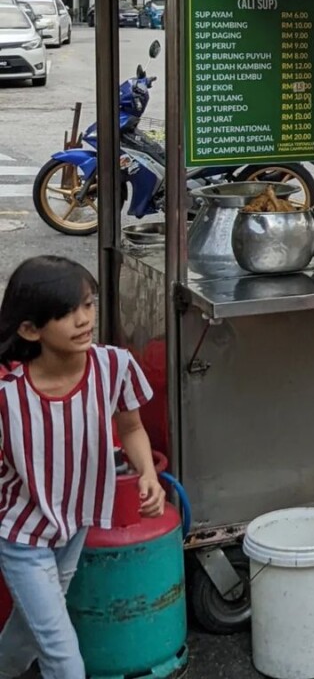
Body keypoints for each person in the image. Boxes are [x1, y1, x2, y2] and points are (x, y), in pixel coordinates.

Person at [0, 256, 162, 678]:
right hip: (20, 533)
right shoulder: (7, 392)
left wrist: (147, 473)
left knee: (28, 632)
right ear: (30, 329)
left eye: (88, 305)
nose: (83, 319)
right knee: (62, 655)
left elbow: (131, 429)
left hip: (73, 526)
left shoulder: (114, 366)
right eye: (67, 312)